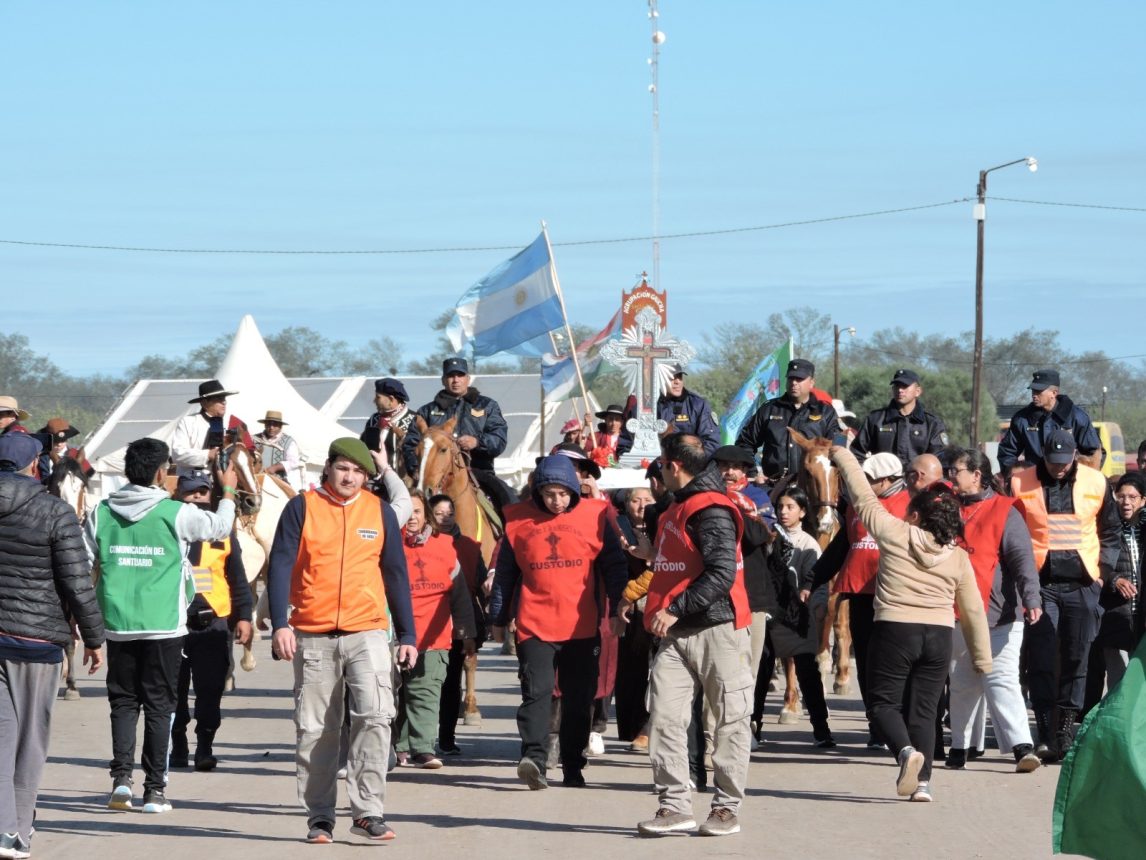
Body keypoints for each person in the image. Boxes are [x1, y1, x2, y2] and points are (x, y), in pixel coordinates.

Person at [267, 437, 417, 844]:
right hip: (313, 634)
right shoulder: (302, 507)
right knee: (317, 729)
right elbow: (279, 563)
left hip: (367, 631)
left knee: (375, 717)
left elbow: (396, 573)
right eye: (343, 468)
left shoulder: (380, 511)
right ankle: (320, 817)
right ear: (329, 469)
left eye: (358, 471)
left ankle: (368, 811)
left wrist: (407, 633)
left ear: (367, 477)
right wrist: (280, 622)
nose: (350, 477)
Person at [829, 444, 991, 803]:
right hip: (939, 636)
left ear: (915, 516)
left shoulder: (894, 534)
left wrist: (842, 456)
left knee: (883, 703)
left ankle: (904, 751)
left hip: (896, 629)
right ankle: (924, 785)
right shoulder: (959, 557)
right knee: (925, 708)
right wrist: (983, 660)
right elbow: (974, 610)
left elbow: (862, 496)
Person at [85, 438, 238, 814]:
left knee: (122, 703)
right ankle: (154, 791)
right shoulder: (176, 512)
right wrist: (229, 489)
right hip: (164, 627)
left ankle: (121, 780)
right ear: (159, 473)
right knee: (159, 706)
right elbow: (219, 526)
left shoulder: (99, 512)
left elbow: (82, 562)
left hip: (117, 624)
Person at [626, 434, 752, 838]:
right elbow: (683, 561)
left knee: (730, 720)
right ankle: (675, 806)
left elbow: (720, 573)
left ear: (674, 467)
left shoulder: (711, 509)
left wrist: (674, 607)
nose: (659, 474)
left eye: (661, 466)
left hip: (717, 629)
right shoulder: (676, 508)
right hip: (676, 633)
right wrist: (652, 556)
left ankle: (725, 808)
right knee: (663, 717)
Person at [488, 454, 627, 790]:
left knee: (580, 701)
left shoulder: (594, 516)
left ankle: (573, 766)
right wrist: (499, 615)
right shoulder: (518, 521)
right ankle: (534, 759)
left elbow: (614, 565)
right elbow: (506, 573)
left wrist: (619, 607)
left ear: (574, 491)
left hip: (581, 626)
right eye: (550, 493)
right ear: (538, 491)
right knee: (536, 694)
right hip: (535, 625)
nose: (557, 500)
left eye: (564, 494)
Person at [0, 433, 104, 858]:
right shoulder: (55, 511)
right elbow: (77, 582)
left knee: (2, 738)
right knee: (31, 740)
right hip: (37, 642)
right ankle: (19, 831)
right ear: (33, 465)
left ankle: (3, 829)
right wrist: (94, 638)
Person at [1011, 429, 1120, 763]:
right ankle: (1044, 729)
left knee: (1077, 657)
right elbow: (1013, 532)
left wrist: (1102, 573)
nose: (1058, 467)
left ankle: (1065, 731)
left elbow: (1111, 530)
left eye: (1064, 461)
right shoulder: (1020, 483)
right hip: (1041, 585)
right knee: (1042, 658)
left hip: (1082, 583)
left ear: (1075, 455)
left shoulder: (1096, 482)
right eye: (1052, 461)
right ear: (1042, 455)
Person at [945, 448, 1043, 773]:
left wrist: (1032, 599)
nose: (951, 475)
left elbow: (1022, 561)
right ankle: (958, 748)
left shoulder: (1005, 511)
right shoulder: (948, 509)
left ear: (976, 474)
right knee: (962, 683)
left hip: (1000, 614)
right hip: (957, 613)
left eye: (956, 470)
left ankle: (1022, 748)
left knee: (1001, 679)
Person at [806, 452, 910, 748]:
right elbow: (840, 549)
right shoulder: (856, 508)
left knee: (893, 665)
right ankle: (876, 725)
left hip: (896, 596)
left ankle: (899, 726)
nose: (861, 483)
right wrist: (811, 580)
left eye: (869, 479)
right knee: (866, 661)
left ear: (888, 480)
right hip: (860, 595)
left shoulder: (910, 506)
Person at [169, 471, 254, 771]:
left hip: (214, 622)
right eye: (191, 492)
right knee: (172, 689)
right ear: (178, 494)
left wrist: (244, 616)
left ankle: (204, 746)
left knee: (210, 690)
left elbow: (238, 578)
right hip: (173, 621)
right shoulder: (168, 526)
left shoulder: (223, 532)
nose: (197, 497)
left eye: (203, 492)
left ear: (211, 495)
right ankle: (177, 741)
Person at [395, 492, 476, 769]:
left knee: (425, 692)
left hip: (433, 636)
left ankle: (423, 748)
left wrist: (466, 632)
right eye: (407, 512)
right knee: (397, 695)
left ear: (426, 514)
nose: (412, 517)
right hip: (394, 635)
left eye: (417, 511)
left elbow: (460, 594)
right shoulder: (389, 545)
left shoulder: (445, 546)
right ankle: (399, 747)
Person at [767, 488, 836, 747]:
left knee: (808, 673)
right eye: (781, 507)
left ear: (803, 512)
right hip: (771, 614)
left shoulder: (809, 543)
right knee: (762, 672)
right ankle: (754, 726)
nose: (784, 512)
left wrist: (816, 604)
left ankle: (821, 730)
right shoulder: (768, 536)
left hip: (799, 617)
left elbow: (816, 580)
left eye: (790, 507)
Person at [402, 358, 513, 516]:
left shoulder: (488, 406)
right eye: (450, 376)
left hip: (480, 473)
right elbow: (410, 444)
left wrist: (478, 442)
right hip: (434, 479)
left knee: (510, 501)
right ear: (443, 380)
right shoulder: (426, 411)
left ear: (468, 378)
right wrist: (415, 469)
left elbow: (499, 439)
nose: (455, 380)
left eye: (460, 375)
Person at [429, 493, 488, 755]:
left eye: (449, 513)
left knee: (451, 681)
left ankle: (446, 736)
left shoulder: (470, 546)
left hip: (458, 623)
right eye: (439, 513)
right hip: (426, 622)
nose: (445, 518)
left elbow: (480, 581)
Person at [1084, 472, 1146, 715]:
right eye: (1121, 496)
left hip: (1140, 616)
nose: (1126, 502)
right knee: (1118, 677)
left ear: (1143, 500)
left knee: (1139, 677)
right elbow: (1094, 562)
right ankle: (1115, 725)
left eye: (1132, 497)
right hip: (1113, 614)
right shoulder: (1104, 528)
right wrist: (1114, 579)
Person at [734, 359, 840, 485]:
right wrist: (753, 473)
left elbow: (836, 449)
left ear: (811, 382)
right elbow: (745, 443)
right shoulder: (769, 409)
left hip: (812, 487)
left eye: (799, 379)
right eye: (791, 378)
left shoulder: (825, 412)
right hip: (774, 486)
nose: (794, 383)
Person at [997, 369, 1102, 476]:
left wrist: (1081, 478)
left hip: (1068, 484)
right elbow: (1007, 452)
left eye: (1039, 391)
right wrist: (1013, 477)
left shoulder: (1077, 417)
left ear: (1054, 393)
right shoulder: (1022, 419)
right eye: (1033, 390)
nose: (1034, 395)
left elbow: (1095, 453)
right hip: (1033, 483)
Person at [850, 369, 949, 467]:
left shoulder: (932, 424)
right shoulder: (875, 419)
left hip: (919, 481)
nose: (900, 390)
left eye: (905, 386)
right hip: (882, 482)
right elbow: (857, 453)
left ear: (918, 391)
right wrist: (870, 476)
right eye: (897, 386)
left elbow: (939, 459)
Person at [618, 365, 721, 458]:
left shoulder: (698, 404)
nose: (677, 381)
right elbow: (625, 442)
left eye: (680, 377)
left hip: (688, 470)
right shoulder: (643, 406)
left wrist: (690, 465)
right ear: (659, 379)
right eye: (671, 378)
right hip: (651, 469)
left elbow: (711, 443)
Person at [170, 380, 252, 480]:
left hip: (226, 481)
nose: (224, 402)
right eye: (219, 399)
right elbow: (178, 454)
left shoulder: (233, 423)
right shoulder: (188, 422)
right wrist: (207, 455)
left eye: (224, 399)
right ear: (204, 403)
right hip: (192, 481)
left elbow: (246, 453)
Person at [361, 378, 416, 475]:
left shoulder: (414, 421)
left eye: (378, 397)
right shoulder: (374, 420)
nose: (374, 401)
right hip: (373, 481)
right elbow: (362, 447)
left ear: (391, 399)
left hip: (401, 483)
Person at [253, 410, 304, 490]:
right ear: (265, 424)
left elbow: (293, 461)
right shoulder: (254, 439)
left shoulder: (288, 442)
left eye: (275, 425)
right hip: (254, 480)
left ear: (280, 426)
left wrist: (275, 467)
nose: (271, 427)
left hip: (277, 482)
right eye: (269, 424)